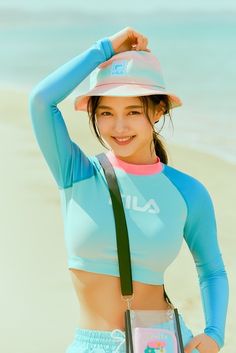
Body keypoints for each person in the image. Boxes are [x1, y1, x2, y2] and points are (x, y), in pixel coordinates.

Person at [29, 27, 229, 353]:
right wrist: (104, 48)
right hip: (90, 345)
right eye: (106, 113)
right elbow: (40, 101)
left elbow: (212, 269)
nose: (119, 128)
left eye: (133, 112)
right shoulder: (78, 174)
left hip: (163, 344)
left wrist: (214, 334)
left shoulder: (187, 192)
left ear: (158, 111)